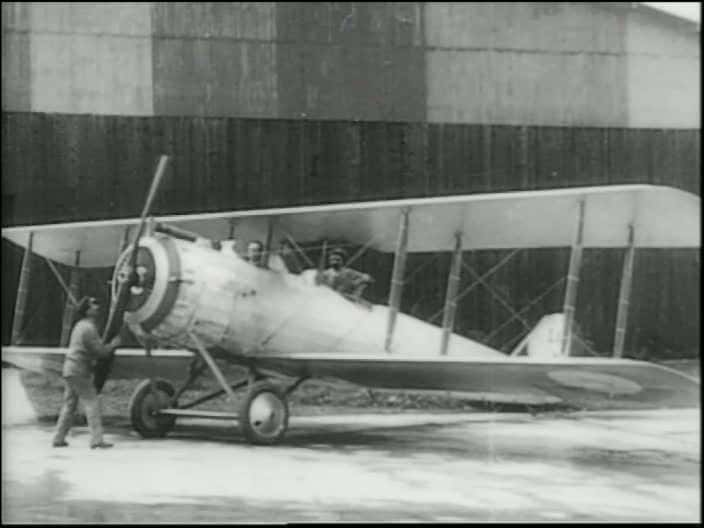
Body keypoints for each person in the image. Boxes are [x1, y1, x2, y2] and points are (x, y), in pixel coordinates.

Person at [52, 296, 121, 449]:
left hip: (69, 369)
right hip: (79, 371)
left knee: (69, 405)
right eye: (93, 305)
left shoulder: (79, 326)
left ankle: (58, 438)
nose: (97, 307)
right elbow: (100, 352)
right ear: (87, 311)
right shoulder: (88, 328)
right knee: (92, 403)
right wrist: (113, 345)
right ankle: (97, 440)